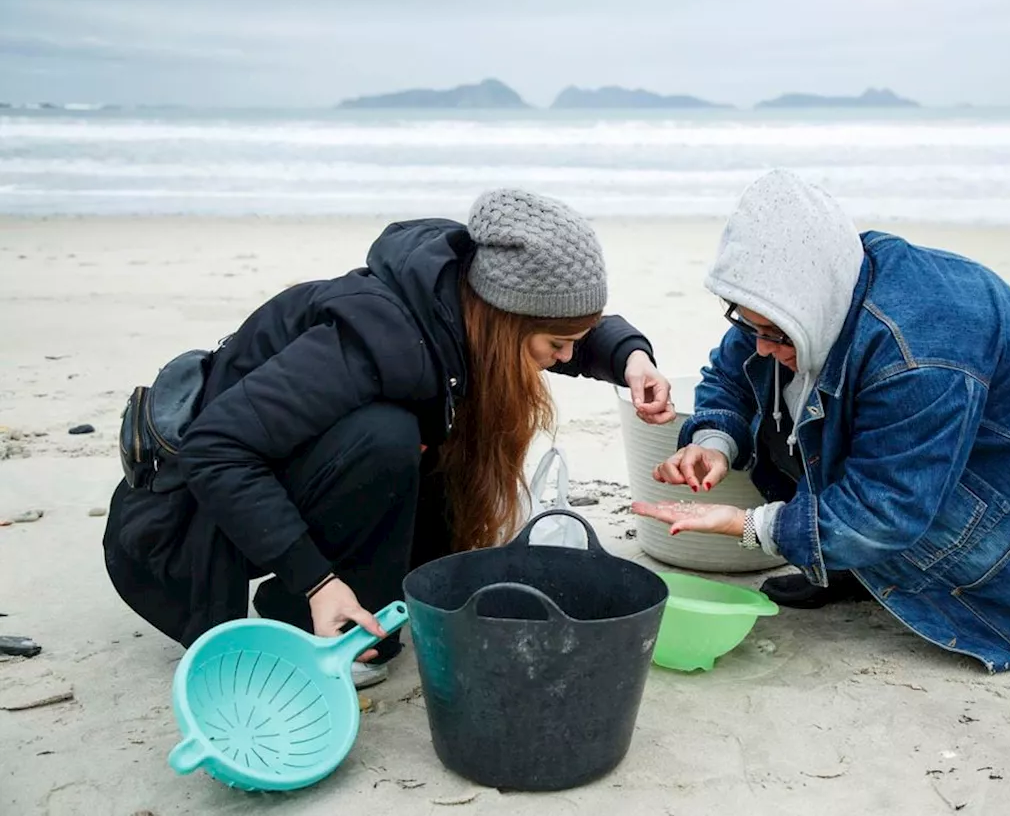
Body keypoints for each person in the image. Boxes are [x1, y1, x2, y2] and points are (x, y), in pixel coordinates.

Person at [104, 188, 674, 687]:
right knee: (387, 434)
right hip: (181, 535)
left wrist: (630, 359)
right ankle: (307, 606)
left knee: (402, 595)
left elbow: (569, 326)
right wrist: (318, 581)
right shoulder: (374, 338)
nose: (567, 358)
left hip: (282, 480)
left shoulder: (458, 306)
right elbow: (216, 450)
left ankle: (317, 597)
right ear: (505, 322)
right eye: (556, 347)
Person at [634, 170, 1010, 672]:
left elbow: (886, 507)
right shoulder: (800, 296)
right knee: (773, 386)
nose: (764, 345)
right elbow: (732, 370)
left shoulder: (919, 352)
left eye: (778, 333)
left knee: (875, 502)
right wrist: (714, 441)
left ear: (811, 303)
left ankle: (854, 556)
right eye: (752, 326)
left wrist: (746, 525)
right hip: (926, 465)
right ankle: (846, 564)